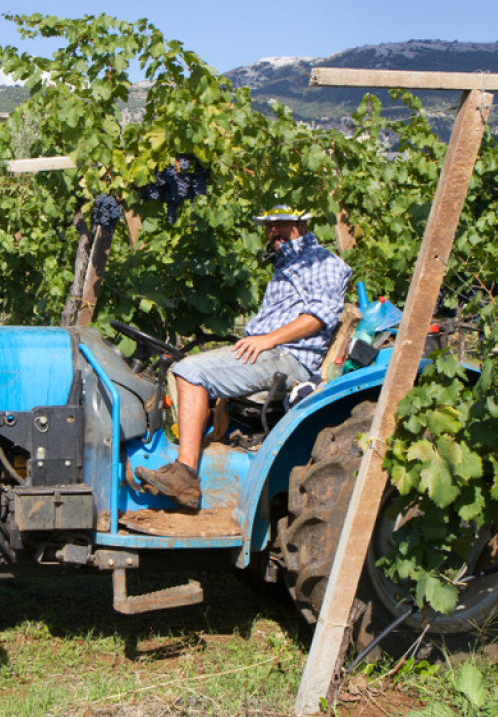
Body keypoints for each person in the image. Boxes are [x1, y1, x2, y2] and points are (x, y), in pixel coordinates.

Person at [136, 206, 353, 508]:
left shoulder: (322, 262)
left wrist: (266, 340)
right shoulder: (286, 264)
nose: (273, 231)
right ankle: (192, 453)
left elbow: (317, 317)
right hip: (269, 351)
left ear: (302, 223)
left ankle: (185, 475)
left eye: (281, 224)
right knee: (174, 368)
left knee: (190, 371)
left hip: (287, 359)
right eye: (269, 226)